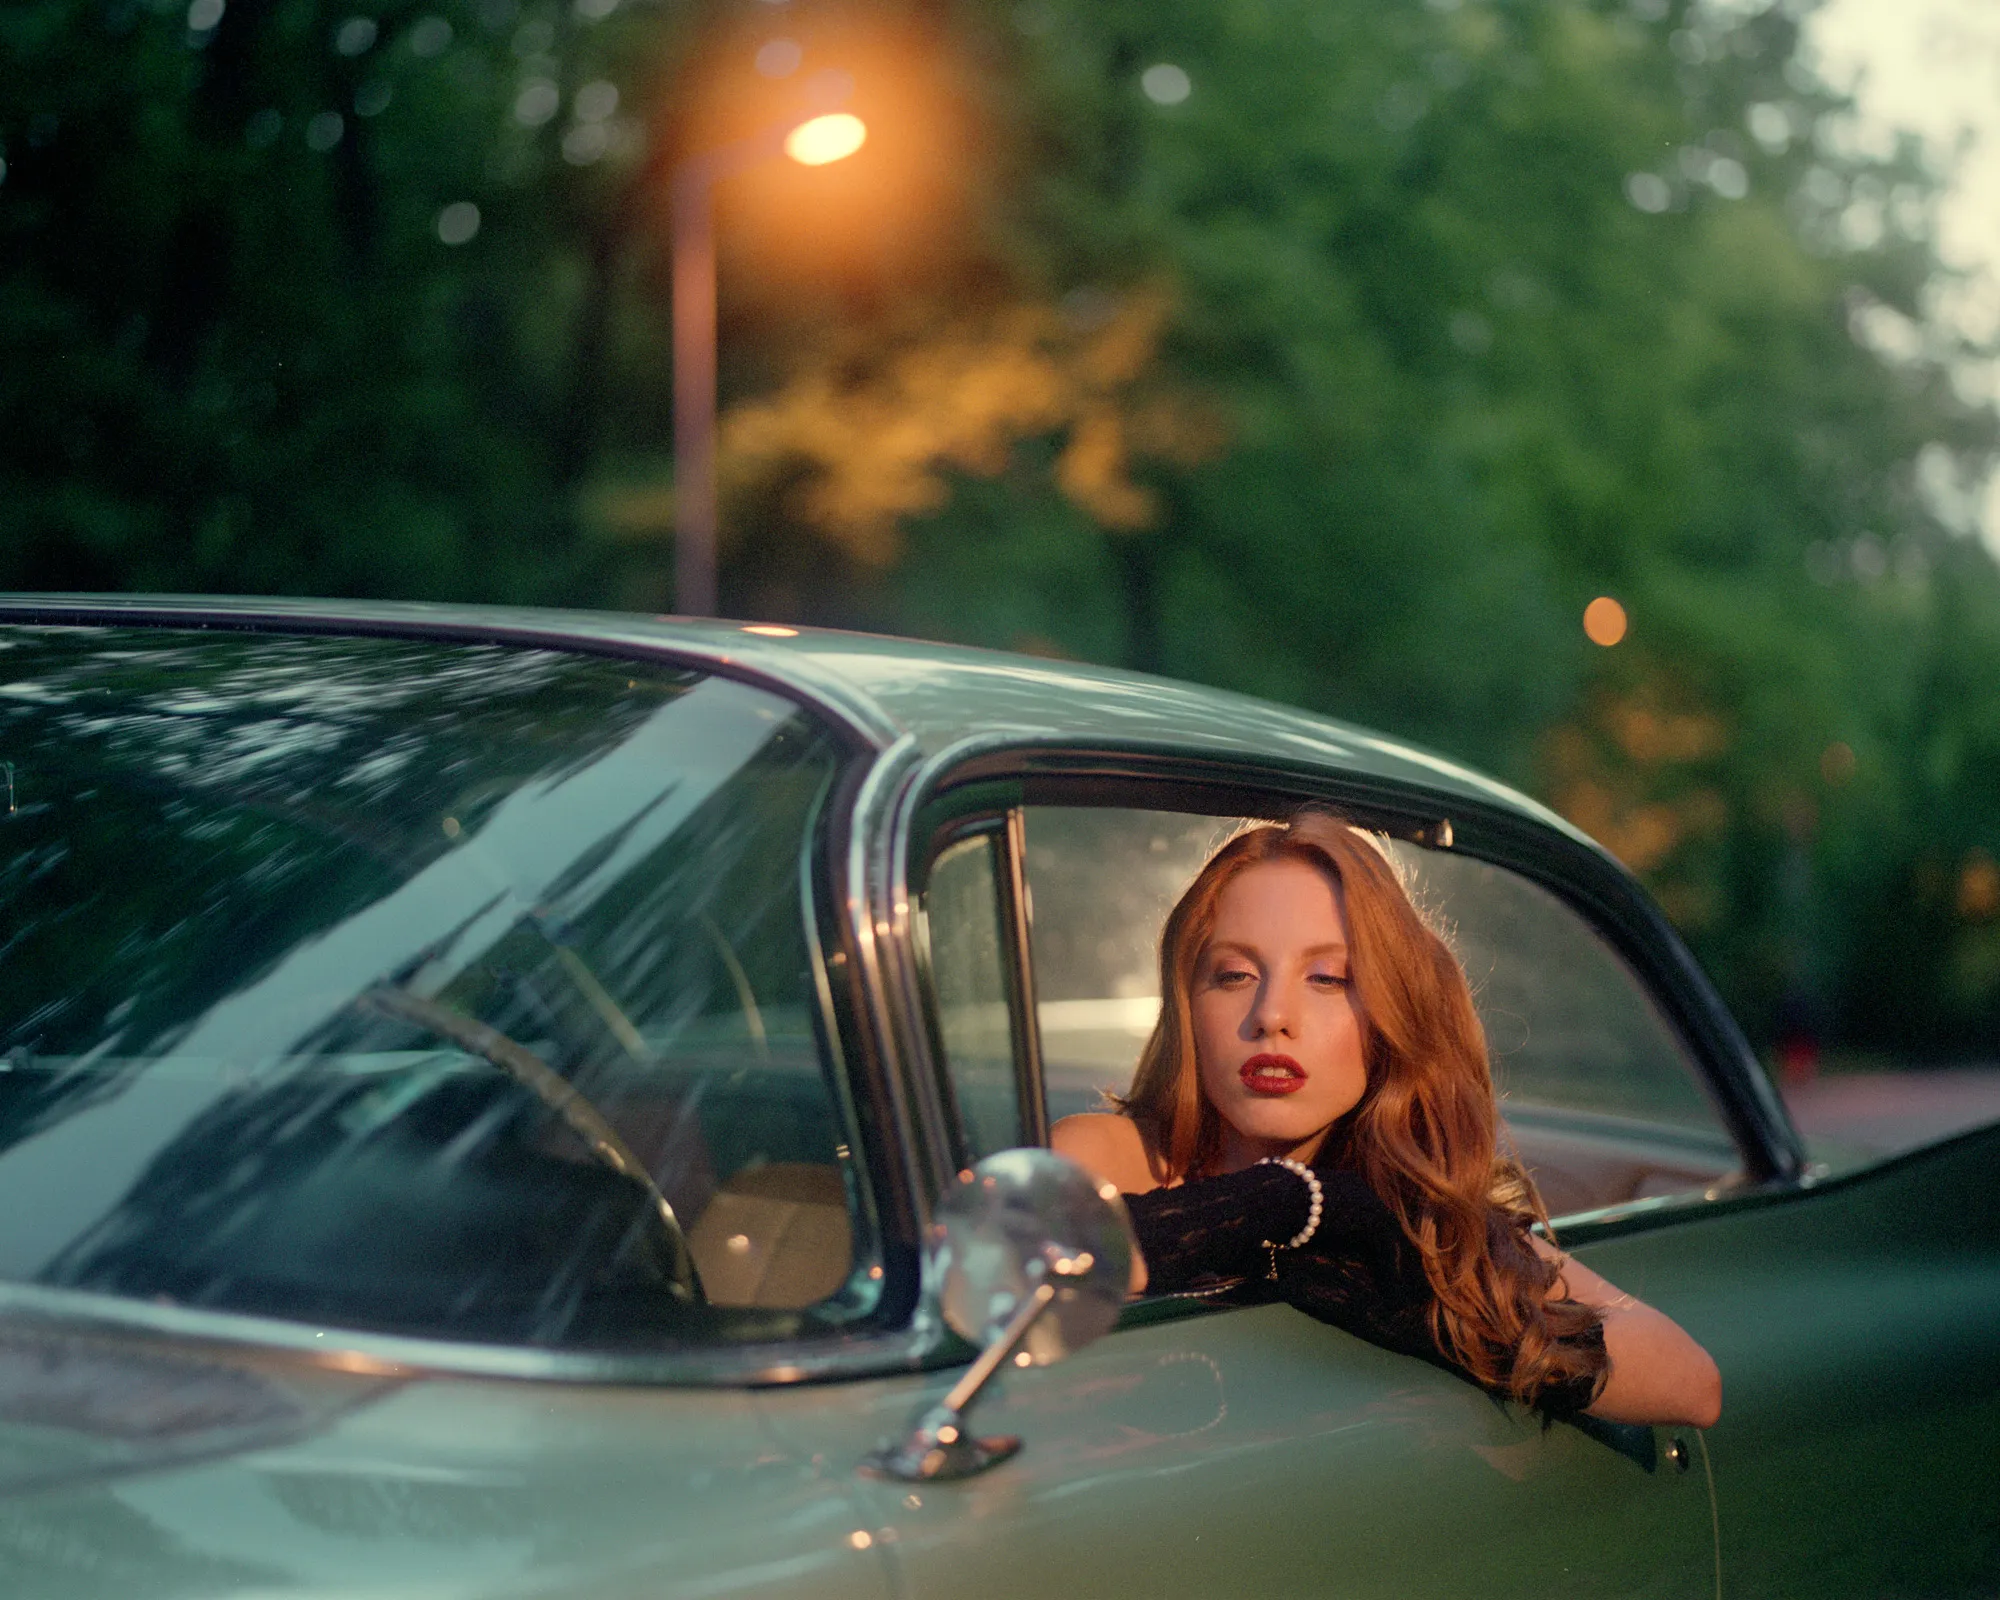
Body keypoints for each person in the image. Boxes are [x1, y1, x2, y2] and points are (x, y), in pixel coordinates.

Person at [1052, 811, 1722, 1428]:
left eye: (1328, 978)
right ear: (1188, 1005)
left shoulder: (1406, 1218)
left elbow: (1692, 1383)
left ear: (1389, 1016)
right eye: (1234, 975)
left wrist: (1448, 1316)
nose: (1271, 1015)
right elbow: (1028, 1272)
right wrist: (1275, 1203)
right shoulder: (1107, 1157)